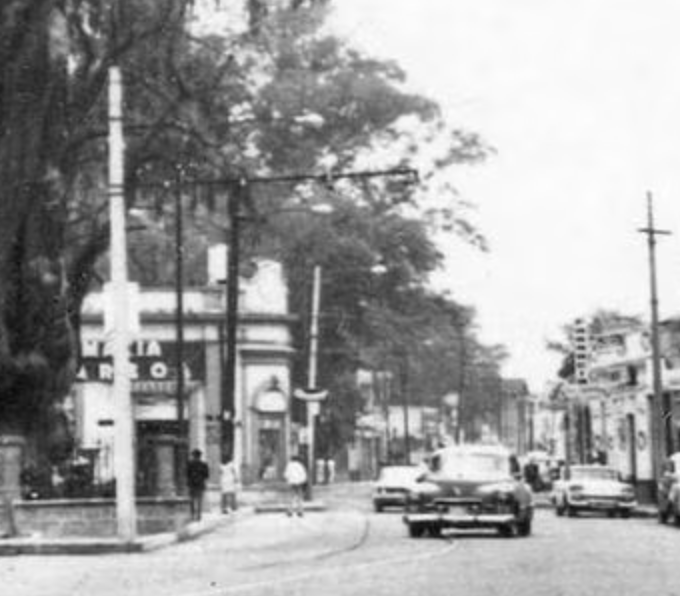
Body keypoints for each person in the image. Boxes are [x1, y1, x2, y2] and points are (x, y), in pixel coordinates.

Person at [186, 449, 210, 521]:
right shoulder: (204, 464)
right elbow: (206, 475)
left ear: (193, 455)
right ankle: (198, 516)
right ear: (200, 456)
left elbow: (187, 474)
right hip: (200, 484)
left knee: (192, 500)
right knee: (199, 500)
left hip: (192, 484)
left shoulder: (189, 464)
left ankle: (192, 515)